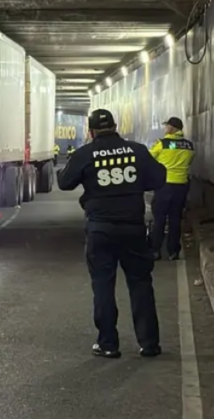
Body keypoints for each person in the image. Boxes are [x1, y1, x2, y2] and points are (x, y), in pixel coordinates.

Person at [58, 108, 167, 359]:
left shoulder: (85, 153)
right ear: (116, 126)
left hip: (100, 229)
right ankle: (149, 344)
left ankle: (108, 344)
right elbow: (158, 178)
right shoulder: (137, 150)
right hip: (132, 227)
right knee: (140, 283)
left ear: (90, 130)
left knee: (103, 286)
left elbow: (65, 183)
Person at [148, 117, 195, 260]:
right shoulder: (189, 146)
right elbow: (190, 162)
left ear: (173, 128)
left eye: (166, 126)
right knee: (175, 219)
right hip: (181, 186)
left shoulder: (162, 144)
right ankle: (173, 251)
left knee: (159, 219)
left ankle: (155, 250)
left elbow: (149, 158)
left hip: (164, 185)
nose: (165, 129)